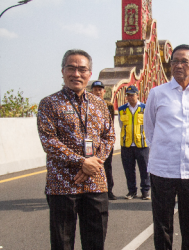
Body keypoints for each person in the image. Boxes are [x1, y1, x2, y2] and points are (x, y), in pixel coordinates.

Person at [37, 49, 115, 249]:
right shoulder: (49, 104)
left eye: (82, 69)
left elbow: (109, 136)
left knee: (95, 242)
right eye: (71, 68)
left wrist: (94, 163)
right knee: (62, 243)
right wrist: (82, 162)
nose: (76, 74)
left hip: (96, 183)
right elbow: (49, 141)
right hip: (62, 184)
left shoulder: (99, 105)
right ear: (62, 71)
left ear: (90, 74)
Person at [144, 44, 189, 250]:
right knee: (162, 224)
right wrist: (163, 151)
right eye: (175, 61)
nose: (178, 65)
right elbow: (150, 128)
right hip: (162, 169)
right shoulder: (157, 93)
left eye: (184, 62)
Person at [118, 85, 151, 200]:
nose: (130, 97)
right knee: (129, 170)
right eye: (128, 95)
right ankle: (131, 191)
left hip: (141, 144)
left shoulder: (145, 108)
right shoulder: (122, 109)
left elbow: (149, 125)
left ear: (138, 95)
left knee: (145, 169)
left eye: (132, 95)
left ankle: (145, 191)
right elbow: (121, 125)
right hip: (127, 145)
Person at [91, 80, 117, 200]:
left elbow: (110, 124)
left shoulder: (109, 105)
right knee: (92, 166)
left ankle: (109, 190)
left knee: (107, 166)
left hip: (104, 142)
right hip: (91, 142)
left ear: (104, 91)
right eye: (95, 89)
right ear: (92, 91)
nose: (98, 92)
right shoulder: (88, 104)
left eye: (100, 89)